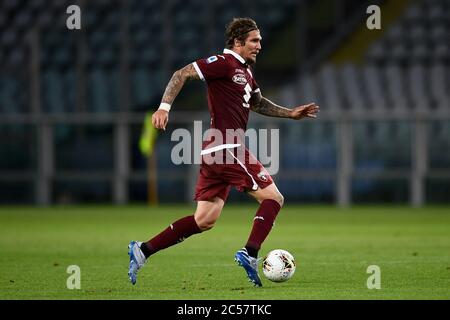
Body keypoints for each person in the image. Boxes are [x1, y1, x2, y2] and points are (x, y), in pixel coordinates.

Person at [128, 17, 319, 287]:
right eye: (254, 41)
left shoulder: (246, 72)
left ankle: (143, 250)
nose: (259, 46)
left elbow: (257, 103)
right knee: (274, 198)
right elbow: (181, 74)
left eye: (260, 41)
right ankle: (250, 252)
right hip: (227, 146)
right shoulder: (223, 62)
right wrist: (164, 108)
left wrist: (290, 113)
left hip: (215, 151)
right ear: (238, 42)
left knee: (204, 219)